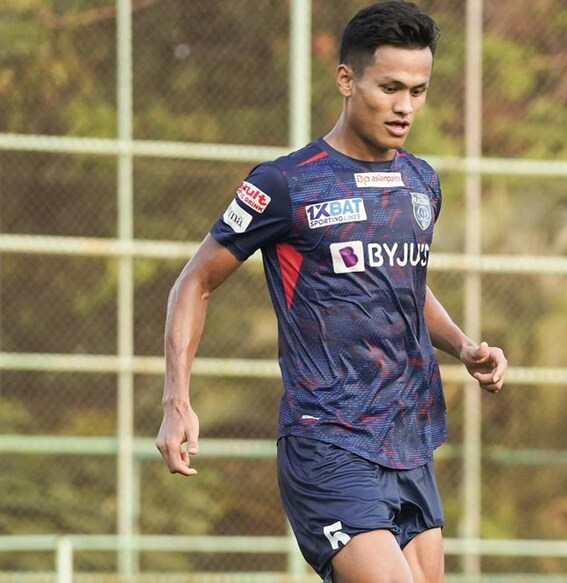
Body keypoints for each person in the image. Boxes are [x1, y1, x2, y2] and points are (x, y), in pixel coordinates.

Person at [155, 2, 507, 581]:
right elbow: (194, 281)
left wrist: (464, 345)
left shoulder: (420, 182)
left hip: (407, 438)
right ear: (346, 79)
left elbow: (403, 285)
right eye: (390, 87)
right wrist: (176, 401)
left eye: (418, 90)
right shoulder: (286, 183)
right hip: (328, 440)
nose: (404, 106)